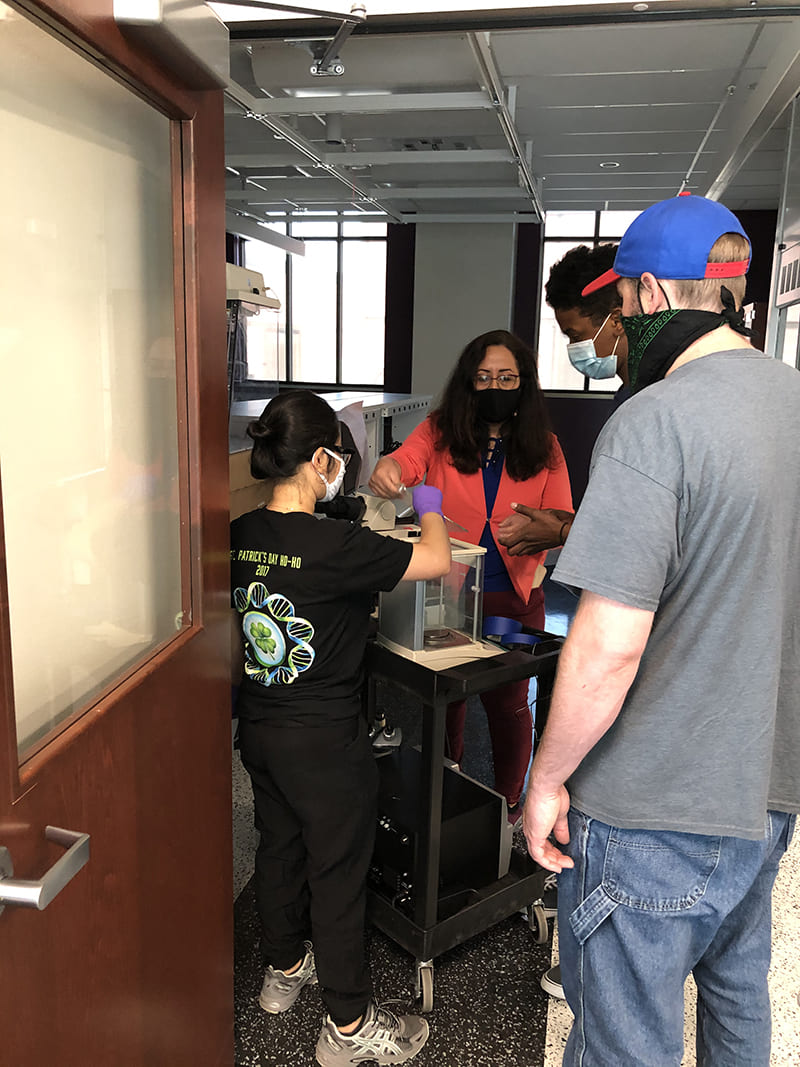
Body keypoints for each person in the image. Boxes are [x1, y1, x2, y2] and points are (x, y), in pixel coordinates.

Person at [523, 193, 800, 1065]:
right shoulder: (793, 400)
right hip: (767, 786)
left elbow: (608, 645)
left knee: (623, 1042)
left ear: (644, 296)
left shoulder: (656, 421)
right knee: (735, 998)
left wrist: (547, 777)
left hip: (653, 803)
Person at [230, 389, 451, 1067]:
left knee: (280, 846)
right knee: (337, 871)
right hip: (327, 743)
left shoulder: (239, 532)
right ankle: (350, 1027)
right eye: (340, 458)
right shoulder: (339, 545)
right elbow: (436, 560)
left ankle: (283, 967)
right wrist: (430, 502)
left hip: (260, 730)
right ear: (323, 457)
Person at [369, 329, 573, 821]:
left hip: (513, 601)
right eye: (484, 377)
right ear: (467, 382)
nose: (495, 387)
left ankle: (509, 806)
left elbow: (562, 517)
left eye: (506, 377)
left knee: (509, 705)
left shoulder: (544, 447)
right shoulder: (441, 432)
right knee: (448, 701)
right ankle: (447, 780)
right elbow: (409, 461)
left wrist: (543, 529)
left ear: (524, 383)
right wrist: (391, 466)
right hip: (449, 597)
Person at [496, 243, 629, 561]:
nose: (574, 347)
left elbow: (647, 530)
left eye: (574, 335)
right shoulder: (627, 396)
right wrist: (571, 522)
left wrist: (561, 533)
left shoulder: (653, 402)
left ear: (617, 320)